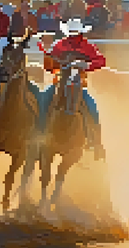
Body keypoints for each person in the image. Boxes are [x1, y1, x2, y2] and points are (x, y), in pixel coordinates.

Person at [38, 18, 106, 160]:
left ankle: (95, 142)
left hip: (79, 85)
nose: (73, 36)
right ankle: (39, 134)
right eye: (71, 33)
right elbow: (48, 65)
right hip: (59, 83)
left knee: (92, 108)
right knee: (43, 100)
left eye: (75, 33)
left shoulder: (88, 46)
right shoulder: (59, 45)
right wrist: (50, 61)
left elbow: (101, 60)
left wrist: (86, 65)